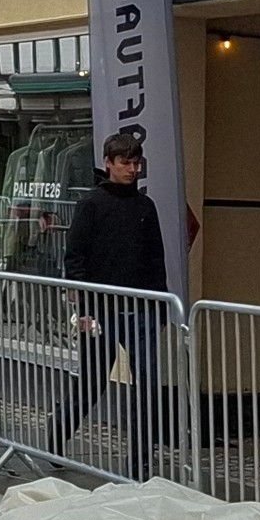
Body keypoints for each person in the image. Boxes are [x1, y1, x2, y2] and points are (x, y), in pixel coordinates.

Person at [48, 128, 170, 479]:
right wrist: (83, 307)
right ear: (109, 163)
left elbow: (155, 259)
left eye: (136, 162)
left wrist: (159, 305)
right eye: (125, 162)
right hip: (101, 309)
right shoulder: (91, 204)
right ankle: (58, 433)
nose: (132, 169)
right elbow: (76, 257)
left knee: (146, 387)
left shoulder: (145, 206)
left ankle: (139, 465)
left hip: (141, 308)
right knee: (93, 382)